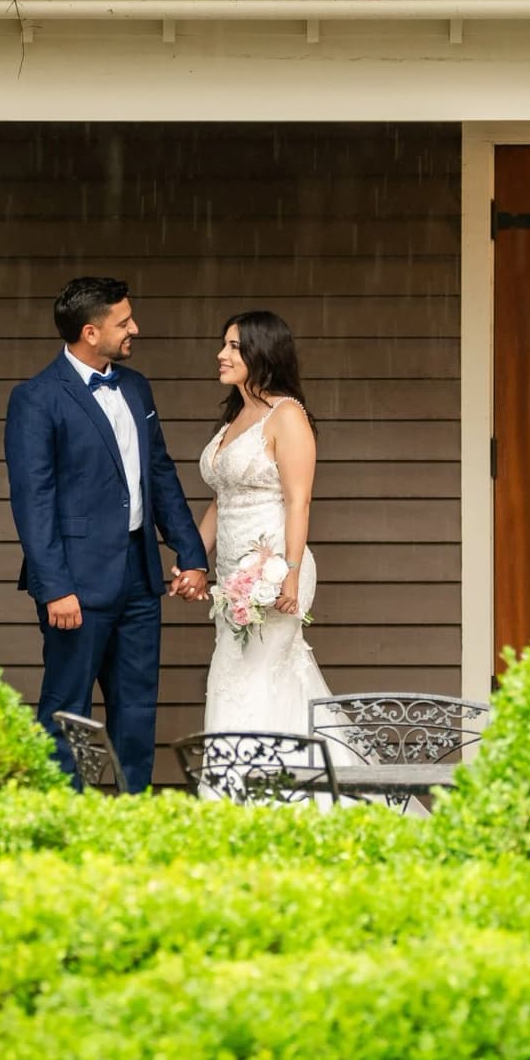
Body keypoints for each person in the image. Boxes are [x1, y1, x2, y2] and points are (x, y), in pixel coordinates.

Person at [5, 277, 210, 792]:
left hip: (140, 578)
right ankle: (63, 815)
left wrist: (191, 552)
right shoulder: (36, 398)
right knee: (67, 708)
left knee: (136, 709)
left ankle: (131, 813)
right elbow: (33, 502)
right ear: (90, 332)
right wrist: (55, 587)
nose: (134, 328)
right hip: (75, 583)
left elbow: (159, 474)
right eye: (124, 321)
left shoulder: (136, 387)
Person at [196, 310, 335, 739]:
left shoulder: (286, 415)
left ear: (262, 352)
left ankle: (261, 773)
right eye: (223, 345)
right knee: (231, 676)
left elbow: (298, 501)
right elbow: (221, 501)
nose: (221, 355)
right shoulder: (237, 416)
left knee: (256, 683)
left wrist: (290, 572)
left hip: (272, 570)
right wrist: (193, 560)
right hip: (230, 578)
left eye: (234, 347)